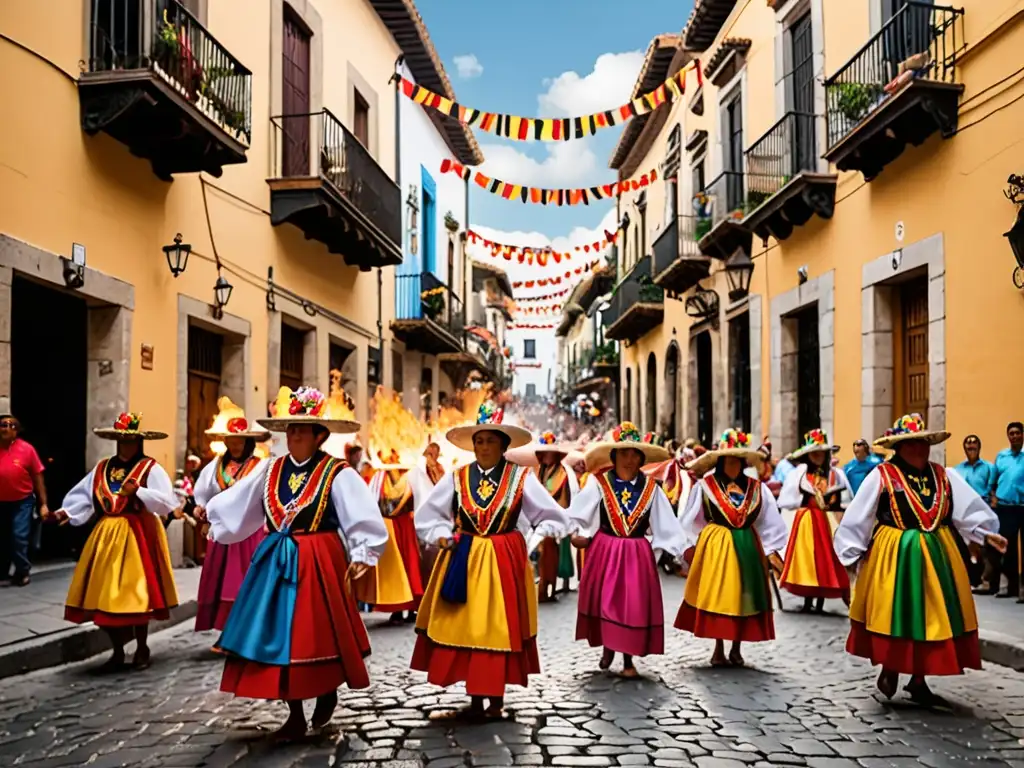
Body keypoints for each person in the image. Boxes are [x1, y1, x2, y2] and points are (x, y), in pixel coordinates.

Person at [203, 387, 387, 739]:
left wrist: (364, 552)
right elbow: (243, 506)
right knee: (280, 632)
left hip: (320, 558)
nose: (294, 434)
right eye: (290, 428)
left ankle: (326, 690)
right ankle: (294, 713)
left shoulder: (338, 472)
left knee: (316, 630)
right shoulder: (270, 470)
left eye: (302, 429)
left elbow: (360, 515)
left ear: (321, 435)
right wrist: (218, 522)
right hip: (275, 559)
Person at [835, 413, 1007, 706]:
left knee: (932, 617)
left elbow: (963, 509)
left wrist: (984, 532)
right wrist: (851, 553)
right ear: (899, 447)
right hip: (895, 554)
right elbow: (860, 515)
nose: (919, 449)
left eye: (923, 443)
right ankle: (890, 668)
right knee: (896, 612)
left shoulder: (943, 475)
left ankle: (919, 679)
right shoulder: (882, 476)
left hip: (938, 555)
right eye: (911, 443)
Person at [411, 403, 569, 720]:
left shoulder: (521, 477)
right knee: (464, 624)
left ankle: (495, 696)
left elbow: (552, 516)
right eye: (479, 441)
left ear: (503, 445)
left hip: (503, 558)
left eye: (491, 441)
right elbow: (429, 515)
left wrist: (531, 540)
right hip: (463, 557)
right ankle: (474, 696)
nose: (484, 447)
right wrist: (441, 536)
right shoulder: (457, 478)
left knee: (499, 626)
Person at [46, 413, 178, 670]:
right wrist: (66, 512)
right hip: (107, 533)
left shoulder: (150, 468)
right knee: (102, 594)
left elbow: (166, 502)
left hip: (138, 531)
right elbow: (85, 495)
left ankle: (141, 647)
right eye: (120, 440)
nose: (125, 445)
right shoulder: (103, 467)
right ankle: (117, 649)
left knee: (137, 592)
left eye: (129, 440)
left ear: (139, 442)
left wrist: (139, 491)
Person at [568, 422, 684, 677]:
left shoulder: (652, 489)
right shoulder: (598, 483)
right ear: (614, 456)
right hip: (605, 550)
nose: (629, 459)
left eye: (634, 454)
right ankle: (609, 647)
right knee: (606, 601)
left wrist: (679, 550)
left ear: (642, 458)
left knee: (632, 605)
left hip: (636, 554)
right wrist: (581, 535)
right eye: (623, 453)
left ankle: (628, 659)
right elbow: (580, 514)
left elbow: (666, 523)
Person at [675, 429, 787, 667]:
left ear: (744, 462)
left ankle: (736, 648)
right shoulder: (705, 487)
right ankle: (718, 647)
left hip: (748, 546)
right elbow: (690, 519)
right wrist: (689, 546)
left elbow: (769, 521)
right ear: (720, 461)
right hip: (717, 546)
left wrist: (769, 549)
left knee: (744, 596)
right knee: (719, 595)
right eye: (729, 460)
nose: (733, 465)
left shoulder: (758, 489)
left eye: (738, 460)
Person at [192, 402, 271, 632]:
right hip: (223, 533)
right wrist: (201, 509)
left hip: (249, 533)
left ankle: (246, 630)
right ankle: (227, 630)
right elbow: (203, 494)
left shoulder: (260, 466)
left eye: (239, 440)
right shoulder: (215, 466)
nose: (234, 445)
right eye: (230, 440)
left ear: (248, 442)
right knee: (221, 582)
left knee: (242, 582)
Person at [778, 429, 852, 613]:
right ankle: (807, 601)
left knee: (825, 560)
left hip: (828, 522)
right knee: (807, 560)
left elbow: (846, 500)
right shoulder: (800, 475)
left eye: (821, 453)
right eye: (814, 453)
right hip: (806, 522)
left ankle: (819, 602)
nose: (817, 456)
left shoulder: (836, 475)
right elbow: (788, 498)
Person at [509, 431, 580, 602]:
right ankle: (538, 587)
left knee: (549, 555)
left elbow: (563, 499)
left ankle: (548, 588)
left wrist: (557, 517)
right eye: (544, 454)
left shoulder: (563, 473)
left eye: (550, 454)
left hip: (553, 520)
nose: (547, 457)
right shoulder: (537, 472)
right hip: (536, 520)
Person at [363, 448, 428, 625]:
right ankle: (399, 608)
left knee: (409, 565)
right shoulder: (380, 477)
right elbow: (370, 500)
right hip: (388, 526)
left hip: (405, 525)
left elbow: (423, 499)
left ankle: (412, 607)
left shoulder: (413, 475)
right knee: (394, 568)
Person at [0, 414, 48, 586]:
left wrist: (43, 504)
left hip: (23, 501)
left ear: (17, 431)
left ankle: (22, 571)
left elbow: (38, 477)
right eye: (2, 425)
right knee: (2, 539)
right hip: (1, 502)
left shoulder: (27, 449)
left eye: (11, 425)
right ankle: (3, 572)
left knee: (19, 536)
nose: (5, 428)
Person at [952, 435, 996, 591]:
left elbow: (992, 490)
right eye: (968, 443)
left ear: (979, 446)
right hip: (964, 514)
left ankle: (986, 581)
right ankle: (970, 580)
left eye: (974, 442)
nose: (971, 445)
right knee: (966, 547)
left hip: (982, 511)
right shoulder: (957, 470)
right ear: (964, 447)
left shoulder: (989, 467)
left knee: (984, 548)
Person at [991, 421, 1024, 600]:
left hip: (1023, 507)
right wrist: (994, 497)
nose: (1015, 436)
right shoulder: (1001, 456)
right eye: (1011, 433)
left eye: (1018, 433)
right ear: (1008, 436)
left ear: (1023, 435)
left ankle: (1023, 589)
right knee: (1007, 548)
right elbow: (994, 480)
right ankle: (1008, 587)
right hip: (1005, 507)